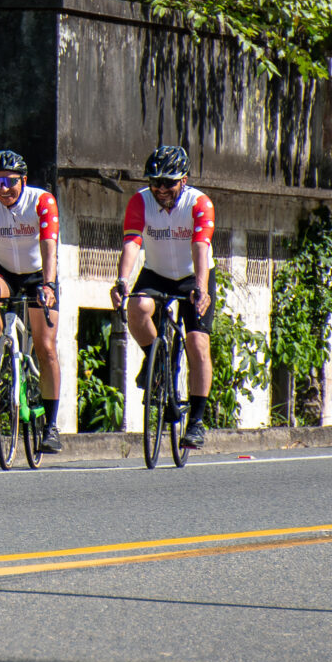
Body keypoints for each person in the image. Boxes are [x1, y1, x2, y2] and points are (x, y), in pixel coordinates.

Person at [110, 144, 217, 449]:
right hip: (156, 272)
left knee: (198, 343)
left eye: (168, 182)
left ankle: (196, 421)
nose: (160, 189)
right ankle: (157, 360)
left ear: (184, 179)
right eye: (154, 181)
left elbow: (200, 246)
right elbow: (132, 243)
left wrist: (201, 287)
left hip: (192, 275)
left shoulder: (199, 203)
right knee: (137, 307)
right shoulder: (140, 201)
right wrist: (122, 280)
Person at [0, 149, 63, 453]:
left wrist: (48, 283)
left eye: (10, 181)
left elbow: (49, 244)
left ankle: (51, 425)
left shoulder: (41, 200)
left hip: (38, 274)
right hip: (4, 271)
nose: (3, 189)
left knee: (46, 348)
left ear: (24, 180)